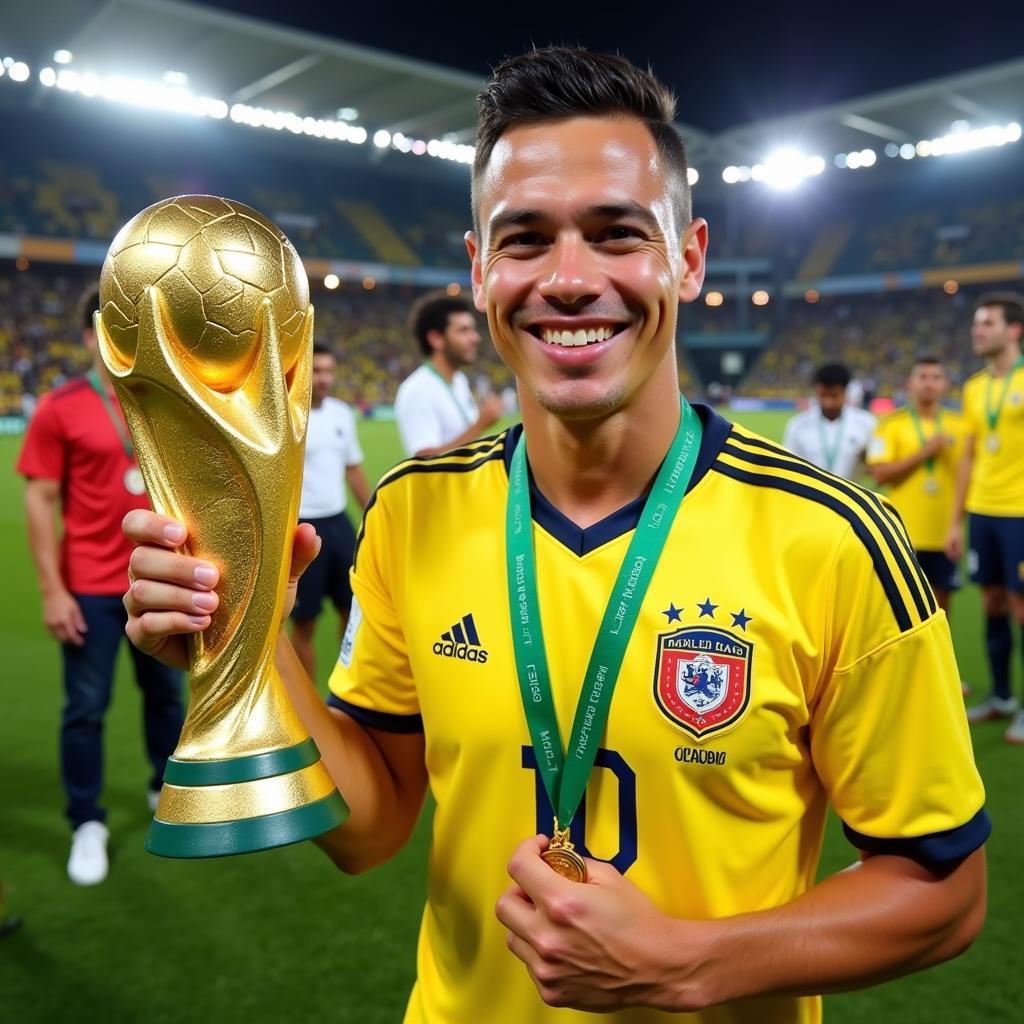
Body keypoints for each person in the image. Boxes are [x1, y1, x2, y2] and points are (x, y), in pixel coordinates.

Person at [121, 48, 987, 1023]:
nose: (569, 280)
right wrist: (251, 632)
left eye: (618, 234)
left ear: (688, 258)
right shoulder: (413, 511)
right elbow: (370, 828)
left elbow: (943, 889)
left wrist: (688, 965)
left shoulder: (833, 538)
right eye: (525, 240)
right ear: (480, 268)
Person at [16, 284, 184, 886]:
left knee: (167, 696)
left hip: (157, 579)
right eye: (109, 326)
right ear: (91, 336)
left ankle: (164, 786)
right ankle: (86, 819)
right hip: (88, 584)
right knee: (86, 707)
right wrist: (51, 590)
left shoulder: (164, 401)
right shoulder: (60, 407)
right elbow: (40, 499)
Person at [946, 292, 1024, 743]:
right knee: (992, 602)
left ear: (1013, 330)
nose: (977, 330)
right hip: (983, 512)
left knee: (1021, 606)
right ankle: (1001, 697)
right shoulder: (974, 387)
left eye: (987, 323)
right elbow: (969, 457)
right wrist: (956, 521)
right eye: (976, 324)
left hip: (1020, 514)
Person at [868, 356, 971, 694]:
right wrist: (926, 452)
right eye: (922, 376)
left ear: (945, 385)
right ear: (910, 384)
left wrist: (957, 523)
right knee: (899, 610)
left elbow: (968, 479)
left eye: (936, 376)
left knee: (941, 610)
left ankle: (940, 677)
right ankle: (902, 681)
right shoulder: (890, 425)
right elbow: (881, 473)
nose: (929, 382)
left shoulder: (960, 425)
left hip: (944, 532)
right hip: (902, 532)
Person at [290, 344, 371, 681]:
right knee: (304, 622)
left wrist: (373, 514)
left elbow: (353, 469)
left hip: (338, 524)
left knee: (352, 611)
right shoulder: (287, 416)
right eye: (316, 370)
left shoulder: (340, 413)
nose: (324, 378)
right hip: (302, 526)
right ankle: (308, 706)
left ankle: (345, 689)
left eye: (329, 371)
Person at [393, 291, 504, 456]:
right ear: (436, 339)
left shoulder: (459, 380)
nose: (475, 338)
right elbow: (426, 461)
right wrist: (481, 424)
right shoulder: (417, 390)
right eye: (463, 330)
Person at [782, 363, 877, 480]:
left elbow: (876, 470)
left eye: (834, 396)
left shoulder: (866, 422)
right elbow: (788, 468)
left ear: (845, 392)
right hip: (809, 496)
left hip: (850, 496)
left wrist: (867, 459)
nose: (828, 402)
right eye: (823, 395)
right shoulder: (798, 424)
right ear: (816, 392)